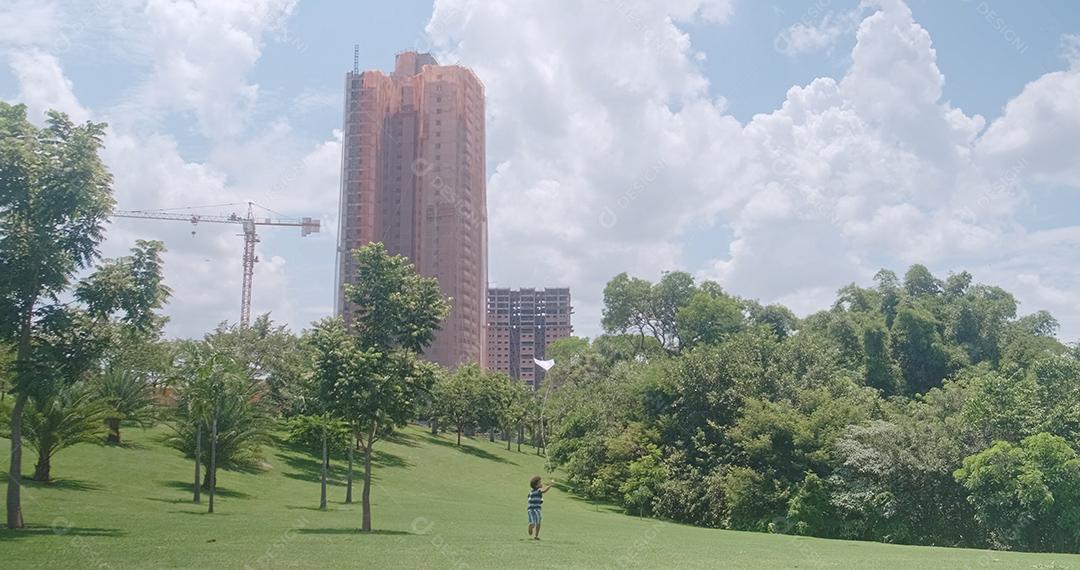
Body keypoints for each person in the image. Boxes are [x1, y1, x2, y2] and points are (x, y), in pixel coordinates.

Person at [527, 475, 552, 540]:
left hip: (530, 509)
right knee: (538, 522)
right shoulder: (539, 490)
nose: (541, 484)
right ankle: (536, 535)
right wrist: (550, 485)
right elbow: (544, 491)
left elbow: (531, 499)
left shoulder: (531, 492)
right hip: (536, 509)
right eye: (540, 482)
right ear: (536, 485)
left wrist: (540, 500)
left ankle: (531, 526)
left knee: (533, 522)